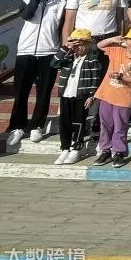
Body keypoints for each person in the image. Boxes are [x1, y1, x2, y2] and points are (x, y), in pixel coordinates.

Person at [7, 0, 65, 145]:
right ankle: (17, 126)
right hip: (26, 52)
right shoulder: (26, 2)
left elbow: (62, 27)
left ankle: (37, 125)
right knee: (21, 92)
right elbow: (27, 15)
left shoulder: (61, 4)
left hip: (48, 52)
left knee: (44, 92)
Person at [91, 26, 131, 168]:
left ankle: (119, 152)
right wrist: (113, 39)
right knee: (105, 125)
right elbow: (99, 46)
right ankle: (105, 150)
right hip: (106, 94)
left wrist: (122, 76)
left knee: (120, 127)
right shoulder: (117, 50)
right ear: (125, 40)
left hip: (123, 99)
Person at [49, 28, 100, 165]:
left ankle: (76, 147)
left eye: (82, 44)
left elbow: (95, 78)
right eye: (76, 45)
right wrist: (66, 47)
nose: (79, 48)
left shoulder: (92, 58)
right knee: (64, 122)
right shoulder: (69, 57)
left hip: (81, 95)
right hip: (66, 94)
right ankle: (65, 148)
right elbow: (53, 64)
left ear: (88, 45)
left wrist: (91, 96)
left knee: (79, 122)